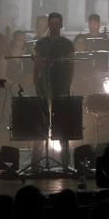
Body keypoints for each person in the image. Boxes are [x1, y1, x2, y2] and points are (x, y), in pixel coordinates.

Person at [33, 12, 76, 168]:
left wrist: (66, 87)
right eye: (51, 23)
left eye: (56, 24)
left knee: (62, 126)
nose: (54, 26)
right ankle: (35, 163)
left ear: (61, 25)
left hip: (61, 87)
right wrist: (39, 88)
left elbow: (71, 68)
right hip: (44, 87)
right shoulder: (41, 43)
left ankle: (65, 163)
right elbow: (36, 68)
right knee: (40, 125)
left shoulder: (67, 44)